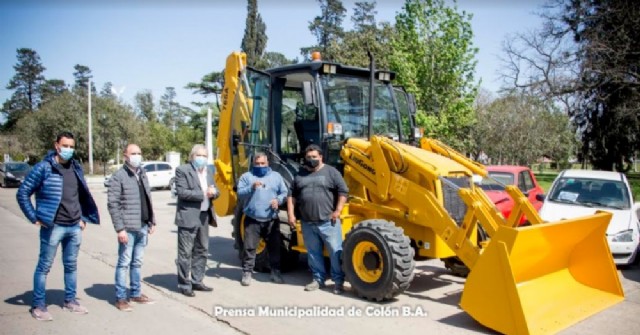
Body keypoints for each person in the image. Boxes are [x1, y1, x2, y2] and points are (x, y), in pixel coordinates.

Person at [16, 131, 100, 321]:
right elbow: (22, 193)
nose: (68, 150)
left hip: (74, 226)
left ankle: (70, 300)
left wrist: (82, 217)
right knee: (44, 266)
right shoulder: (44, 168)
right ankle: (38, 305)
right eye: (65, 146)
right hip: (53, 227)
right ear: (56, 145)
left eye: (71, 146)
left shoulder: (76, 167)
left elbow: (80, 195)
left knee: (71, 265)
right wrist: (34, 216)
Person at [287, 144, 348, 294]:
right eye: (308, 157)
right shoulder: (300, 175)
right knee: (313, 253)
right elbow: (291, 196)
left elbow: (343, 192)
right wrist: (291, 214)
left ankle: (338, 281)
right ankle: (318, 279)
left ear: (321, 157)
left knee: (335, 252)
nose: (311, 159)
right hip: (307, 222)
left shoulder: (331, 172)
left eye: (314, 157)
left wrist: (338, 210)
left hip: (329, 222)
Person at [107, 144, 156, 311]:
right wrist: (120, 229)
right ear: (125, 156)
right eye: (133, 153)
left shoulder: (142, 174)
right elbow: (113, 204)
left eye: (139, 153)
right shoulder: (119, 176)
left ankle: (135, 293)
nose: (137, 156)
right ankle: (121, 298)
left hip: (143, 225)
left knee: (137, 262)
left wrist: (151, 220)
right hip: (128, 228)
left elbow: (147, 199)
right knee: (124, 263)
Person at [236, 152, 288, 286]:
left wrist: (279, 200)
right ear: (253, 164)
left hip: (271, 219)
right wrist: (251, 188)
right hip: (252, 219)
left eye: (262, 163)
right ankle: (247, 273)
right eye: (257, 164)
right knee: (249, 247)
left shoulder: (276, 177)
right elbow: (240, 193)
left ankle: (275, 272)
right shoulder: (247, 177)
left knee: (274, 247)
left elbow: (284, 192)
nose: (260, 166)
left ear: (267, 163)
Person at [174, 144, 219, 297]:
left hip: (204, 215)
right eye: (199, 156)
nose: (202, 159)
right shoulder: (182, 170)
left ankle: (197, 280)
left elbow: (215, 189)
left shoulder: (209, 171)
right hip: (188, 216)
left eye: (204, 156)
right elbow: (182, 192)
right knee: (185, 252)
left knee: (202, 250)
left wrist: (215, 192)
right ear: (192, 156)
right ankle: (184, 283)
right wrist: (204, 194)